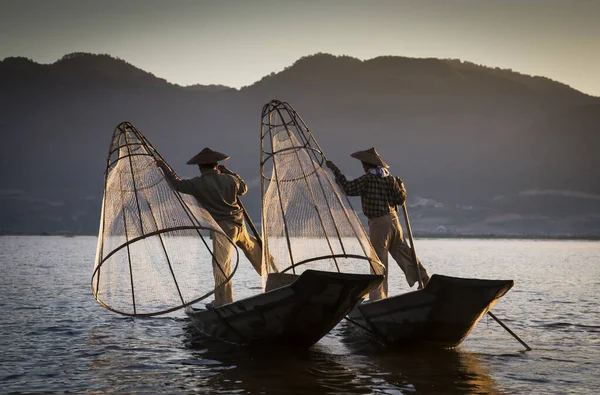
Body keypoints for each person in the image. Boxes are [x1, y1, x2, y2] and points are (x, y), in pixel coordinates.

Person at [156, 147, 264, 307]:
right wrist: (228, 171)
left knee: (221, 265)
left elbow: (176, 184)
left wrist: (163, 166)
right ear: (216, 165)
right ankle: (273, 277)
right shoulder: (230, 179)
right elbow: (243, 188)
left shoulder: (197, 183)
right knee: (254, 250)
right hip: (239, 225)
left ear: (200, 167)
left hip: (223, 229)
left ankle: (223, 301)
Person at [325, 147, 429, 301]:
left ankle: (377, 298)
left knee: (378, 262)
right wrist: (402, 187)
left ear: (368, 165)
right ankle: (424, 277)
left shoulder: (367, 179)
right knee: (404, 252)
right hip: (394, 221)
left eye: (363, 164)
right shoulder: (390, 179)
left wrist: (335, 170)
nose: (363, 166)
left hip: (379, 224)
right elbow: (400, 200)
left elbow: (348, 188)